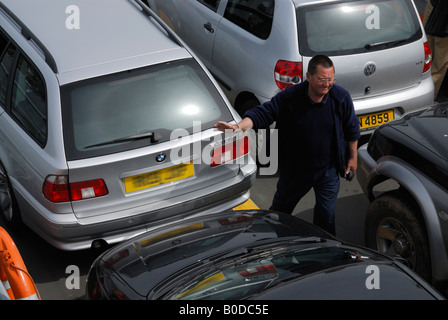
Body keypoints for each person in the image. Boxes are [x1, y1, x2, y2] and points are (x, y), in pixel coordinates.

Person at [214, 55, 360, 235]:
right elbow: (263, 113)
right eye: (322, 79)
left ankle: (326, 247)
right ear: (309, 76)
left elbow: (352, 129)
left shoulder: (341, 98)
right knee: (280, 213)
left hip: (327, 172)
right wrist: (238, 127)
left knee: (326, 216)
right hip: (295, 172)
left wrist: (353, 158)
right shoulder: (290, 98)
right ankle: (275, 241)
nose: (327, 84)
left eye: (331, 79)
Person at [424, 0, 448, 102]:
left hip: (442, 14)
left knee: (439, 60)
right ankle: (425, 97)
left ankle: (427, 98)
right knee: (425, 51)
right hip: (434, 7)